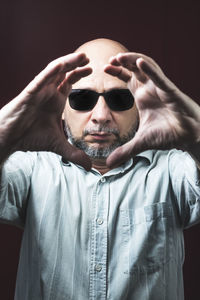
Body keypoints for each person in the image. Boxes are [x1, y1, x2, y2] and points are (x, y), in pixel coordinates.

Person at [0, 38, 200, 300]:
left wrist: (197, 134)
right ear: (61, 107)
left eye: (119, 98)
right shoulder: (31, 170)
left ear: (140, 106)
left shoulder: (173, 170)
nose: (101, 115)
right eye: (82, 98)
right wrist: (4, 132)